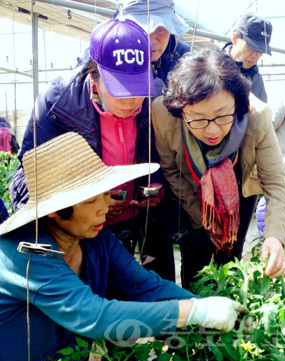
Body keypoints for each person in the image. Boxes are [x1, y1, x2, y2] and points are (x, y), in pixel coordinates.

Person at [0, 132, 247, 361]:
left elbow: (146, 286)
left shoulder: (95, 238)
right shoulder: (25, 253)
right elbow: (96, 316)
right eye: (90, 201)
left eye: (107, 194)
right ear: (54, 209)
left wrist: (213, 309)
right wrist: (197, 312)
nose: (103, 208)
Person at [9, 17, 174, 275]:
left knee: (137, 286)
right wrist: (87, 205)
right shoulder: (57, 104)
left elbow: (166, 156)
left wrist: (155, 187)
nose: (132, 100)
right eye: (120, 88)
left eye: (138, 88)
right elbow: (32, 178)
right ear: (93, 75)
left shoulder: (156, 103)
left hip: (137, 220)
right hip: (80, 231)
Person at [152, 47, 285, 288]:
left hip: (238, 195)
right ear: (180, 110)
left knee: (230, 256)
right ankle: (195, 312)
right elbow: (172, 171)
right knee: (196, 259)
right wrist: (201, 218)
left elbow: (276, 182)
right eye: (197, 118)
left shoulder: (257, 115)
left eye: (222, 116)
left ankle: (228, 305)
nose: (212, 131)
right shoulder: (162, 114)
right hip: (192, 193)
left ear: (237, 104)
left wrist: (274, 237)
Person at [117, 0, 191, 85]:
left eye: (160, 29)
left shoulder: (184, 58)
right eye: (142, 29)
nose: (151, 41)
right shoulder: (107, 51)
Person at [223, 12, 272, 103]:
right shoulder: (209, 65)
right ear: (235, 39)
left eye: (261, 50)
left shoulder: (256, 79)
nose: (255, 56)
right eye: (251, 47)